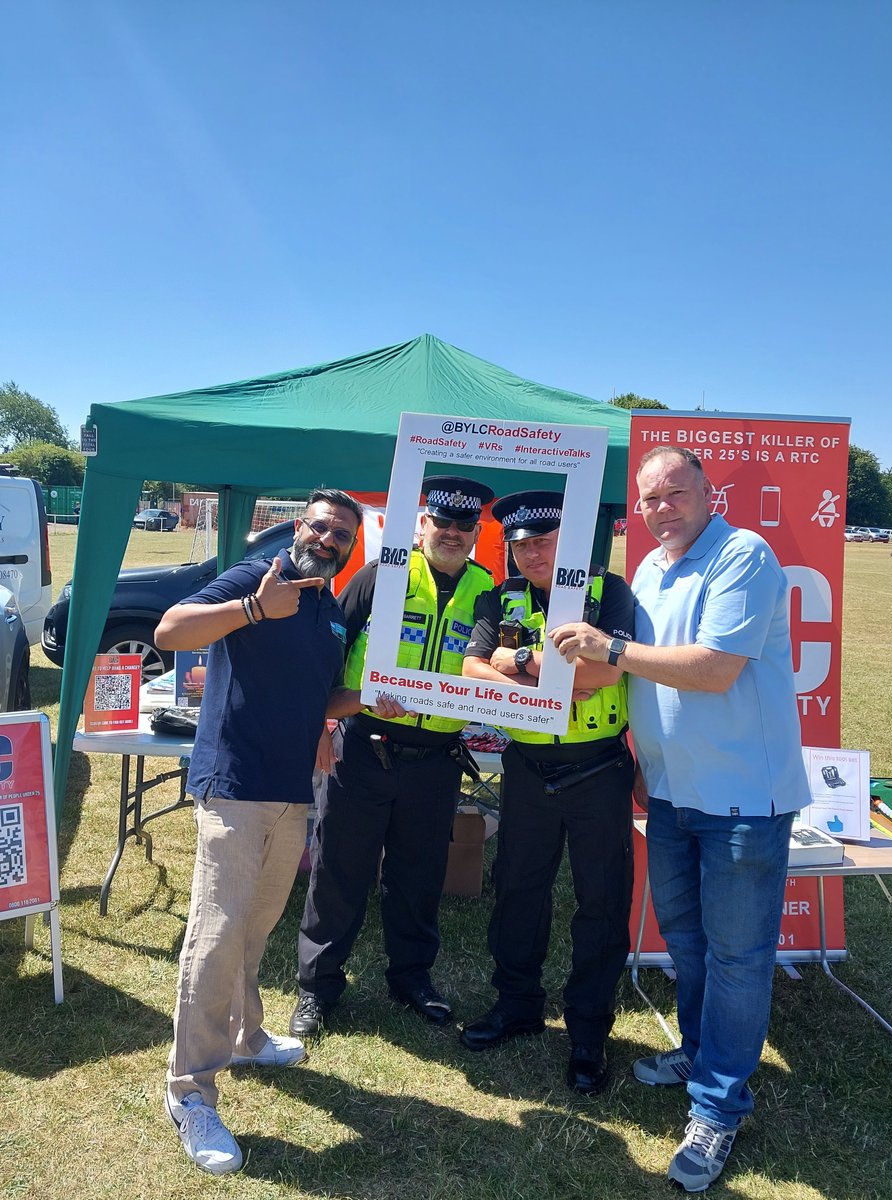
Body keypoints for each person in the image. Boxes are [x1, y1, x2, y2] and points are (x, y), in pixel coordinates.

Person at [549, 446, 810, 1192]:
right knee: (690, 947)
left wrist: (615, 648)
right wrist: (643, 759)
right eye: (650, 498)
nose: (662, 507)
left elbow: (713, 668)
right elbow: (646, 681)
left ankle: (719, 1108)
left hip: (740, 801)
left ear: (707, 490)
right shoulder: (652, 570)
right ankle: (700, 1054)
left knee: (736, 959)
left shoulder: (743, 555)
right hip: (668, 793)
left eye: (676, 492)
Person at [157, 488, 364, 1175]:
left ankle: (247, 1035)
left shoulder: (328, 609)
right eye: (322, 526)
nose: (329, 540)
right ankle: (190, 1093)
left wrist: (360, 701)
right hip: (235, 785)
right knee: (216, 932)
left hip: (290, 791)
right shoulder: (261, 577)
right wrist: (251, 609)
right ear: (299, 526)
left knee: (255, 925)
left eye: (343, 535)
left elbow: (316, 696)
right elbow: (169, 631)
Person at [290, 475, 496, 1037]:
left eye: (464, 526)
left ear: (477, 533)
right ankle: (317, 988)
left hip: (435, 759)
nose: (452, 534)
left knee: (419, 876)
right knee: (338, 872)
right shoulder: (380, 577)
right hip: (365, 748)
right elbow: (328, 651)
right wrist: (321, 723)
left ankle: (411, 979)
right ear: (422, 524)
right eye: (442, 523)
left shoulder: (489, 590)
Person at [459, 490, 636, 1096]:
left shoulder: (607, 593)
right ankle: (517, 1005)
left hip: (598, 769)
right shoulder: (498, 596)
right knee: (517, 892)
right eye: (522, 544)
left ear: (569, 541)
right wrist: (550, 676)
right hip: (528, 767)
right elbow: (470, 668)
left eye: (545, 540)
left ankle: (588, 1033)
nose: (534, 552)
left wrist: (522, 661)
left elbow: (607, 672)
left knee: (602, 904)